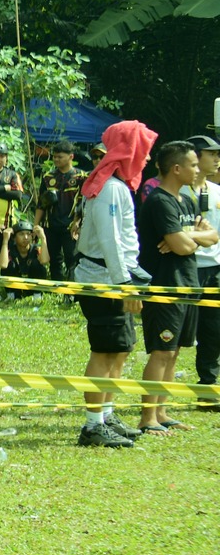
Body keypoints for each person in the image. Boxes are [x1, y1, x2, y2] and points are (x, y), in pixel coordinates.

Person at [73, 119, 155, 448]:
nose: (147, 159)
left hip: (116, 279)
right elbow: (109, 241)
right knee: (104, 351)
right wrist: (125, 285)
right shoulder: (109, 187)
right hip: (104, 282)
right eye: (143, 151)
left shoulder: (116, 185)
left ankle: (106, 415)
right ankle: (93, 425)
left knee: (119, 350)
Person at [134, 140, 214, 431]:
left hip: (188, 284)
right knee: (162, 351)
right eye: (193, 164)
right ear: (176, 168)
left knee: (176, 351)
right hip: (165, 286)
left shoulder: (188, 199)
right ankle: (148, 418)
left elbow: (212, 234)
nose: (197, 169)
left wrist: (186, 235)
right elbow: (180, 247)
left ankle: (163, 412)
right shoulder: (158, 201)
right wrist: (188, 238)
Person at [188, 136, 220, 393]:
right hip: (187, 266)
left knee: (214, 328)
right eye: (211, 153)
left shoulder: (217, 190)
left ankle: (208, 384)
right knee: (179, 332)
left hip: (215, 268)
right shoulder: (178, 191)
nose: (217, 159)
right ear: (195, 156)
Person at [40, 141, 85, 279]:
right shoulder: (48, 177)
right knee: (54, 259)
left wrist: (78, 222)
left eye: (60, 157)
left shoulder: (81, 177)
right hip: (50, 224)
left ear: (71, 157)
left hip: (70, 226)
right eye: (54, 157)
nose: (56, 159)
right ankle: (56, 289)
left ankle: (71, 292)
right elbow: (40, 204)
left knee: (72, 258)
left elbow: (84, 204)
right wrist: (36, 225)